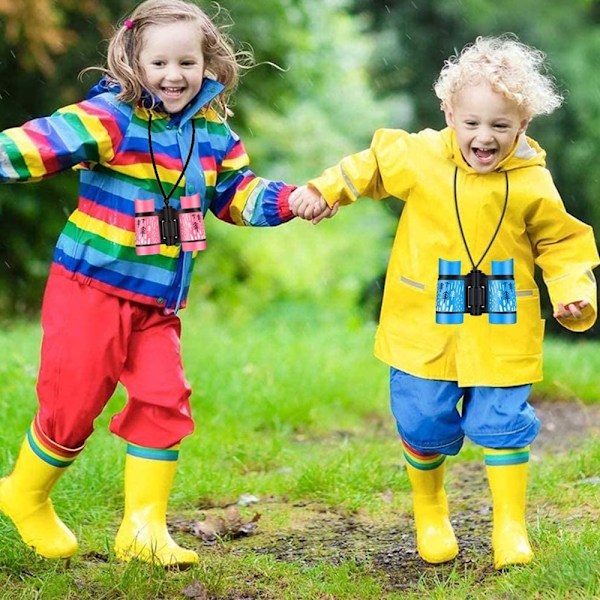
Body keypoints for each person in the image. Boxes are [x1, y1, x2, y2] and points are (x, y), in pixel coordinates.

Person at [0, 0, 297, 567]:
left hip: (158, 301)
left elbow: (236, 194)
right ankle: (24, 493)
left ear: (207, 62)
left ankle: (142, 529)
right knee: (71, 409)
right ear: (134, 63)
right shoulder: (110, 117)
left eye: (186, 61)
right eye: (159, 62)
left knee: (164, 399)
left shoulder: (211, 131)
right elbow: (39, 143)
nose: (173, 75)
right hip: (91, 288)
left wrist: (290, 201)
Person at [290, 35, 599, 569]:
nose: (484, 137)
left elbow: (562, 243)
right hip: (423, 322)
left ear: (523, 126)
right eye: (472, 123)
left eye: (501, 126)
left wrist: (573, 293)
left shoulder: (534, 182)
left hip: (502, 320)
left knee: (501, 421)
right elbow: (370, 167)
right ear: (449, 113)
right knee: (422, 421)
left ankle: (510, 527)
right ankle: (431, 511)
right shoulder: (420, 157)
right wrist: (324, 190)